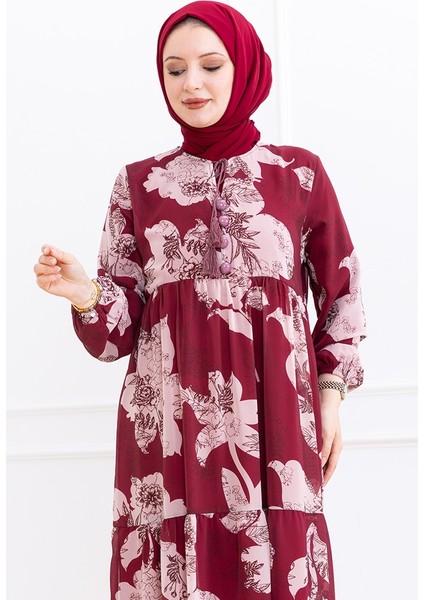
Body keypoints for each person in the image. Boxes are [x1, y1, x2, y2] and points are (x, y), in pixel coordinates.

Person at [33, 2, 367, 598]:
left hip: (277, 428)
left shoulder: (299, 175)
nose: (192, 84)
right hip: (167, 433)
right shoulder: (138, 184)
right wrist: (84, 292)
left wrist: (331, 395)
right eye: (175, 69)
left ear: (245, 68)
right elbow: (115, 338)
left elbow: (342, 294)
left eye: (211, 66)